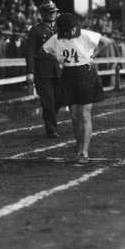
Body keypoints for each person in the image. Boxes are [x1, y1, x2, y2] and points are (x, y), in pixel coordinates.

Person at [42, 13, 112, 163]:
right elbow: (43, 51)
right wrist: (58, 59)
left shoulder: (85, 34)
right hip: (68, 75)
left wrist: (93, 56)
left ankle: (85, 152)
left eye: (73, 29)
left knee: (85, 115)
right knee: (74, 117)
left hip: (85, 74)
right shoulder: (56, 39)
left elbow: (106, 42)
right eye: (68, 30)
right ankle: (79, 148)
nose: (72, 32)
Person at [26, 1, 62, 139]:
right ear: (43, 14)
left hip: (58, 70)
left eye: (54, 12)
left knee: (58, 99)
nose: (53, 15)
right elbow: (30, 52)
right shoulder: (36, 30)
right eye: (50, 12)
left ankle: (48, 115)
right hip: (42, 72)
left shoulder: (59, 29)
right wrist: (30, 72)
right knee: (48, 101)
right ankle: (51, 130)